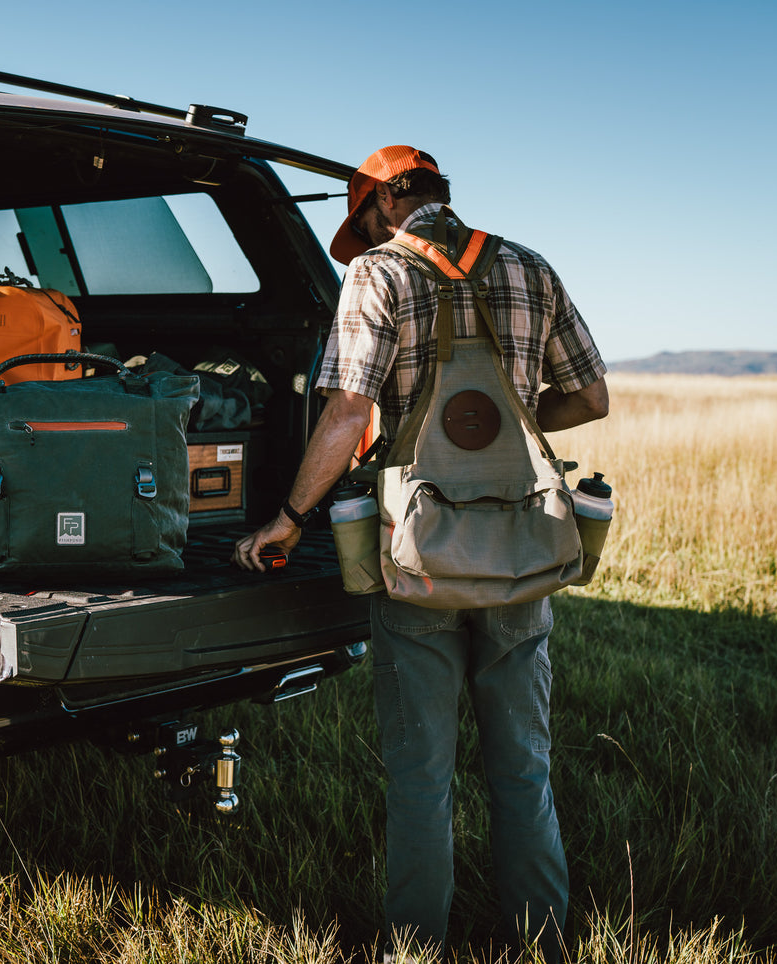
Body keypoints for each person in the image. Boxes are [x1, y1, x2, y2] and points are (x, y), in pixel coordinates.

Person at [232, 145, 609, 961]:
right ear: (439, 196)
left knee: (420, 780)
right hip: (521, 553)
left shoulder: (376, 273)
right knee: (523, 771)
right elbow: (590, 396)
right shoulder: (529, 267)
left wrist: (291, 518)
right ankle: (540, 945)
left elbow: (344, 414)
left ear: (378, 205)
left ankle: (415, 947)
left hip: (416, 555)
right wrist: (507, 428)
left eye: (360, 216)